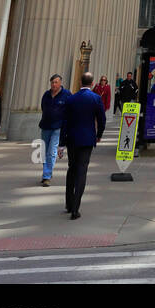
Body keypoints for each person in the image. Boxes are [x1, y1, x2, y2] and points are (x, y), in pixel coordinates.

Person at [59, 72, 106, 219]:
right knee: (82, 171)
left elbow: (64, 121)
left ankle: (68, 203)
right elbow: (102, 119)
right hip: (87, 140)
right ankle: (75, 208)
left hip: (72, 139)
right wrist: (99, 135)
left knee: (71, 169)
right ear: (92, 84)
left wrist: (61, 143)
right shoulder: (96, 98)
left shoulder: (71, 99)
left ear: (80, 82)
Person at [38, 73, 70, 186]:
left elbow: (69, 111)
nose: (54, 84)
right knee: (44, 151)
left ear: (60, 83)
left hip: (58, 127)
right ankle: (47, 171)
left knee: (51, 152)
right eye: (52, 82)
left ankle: (46, 176)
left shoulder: (66, 95)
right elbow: (43, 107)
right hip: (45, 126)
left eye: (56, 82)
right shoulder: (46, 94)